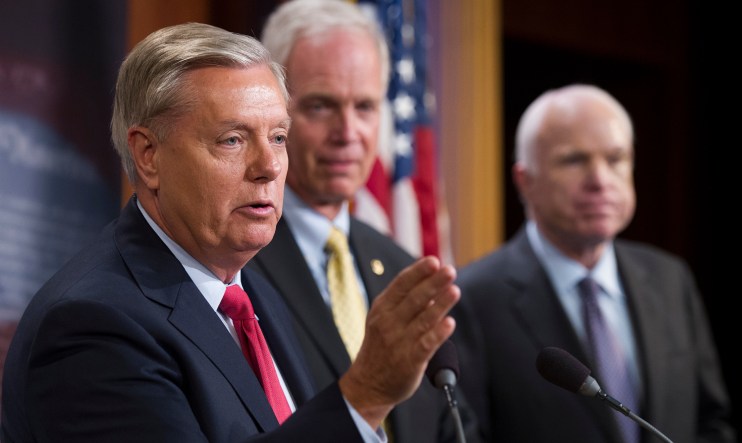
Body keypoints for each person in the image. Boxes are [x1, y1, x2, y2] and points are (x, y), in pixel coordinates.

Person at [0, 22, 461, 443]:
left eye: (278, 137)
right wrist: (364, 395)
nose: (268, 167)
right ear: (148, 155)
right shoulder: (93, 323)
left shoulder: (253, 293)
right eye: (233, 140)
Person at [248, 1, 481, 442]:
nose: (348, 132)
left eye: (366, 107)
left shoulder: (401, 266)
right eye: (321, 106)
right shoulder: (236, 259)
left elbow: (451, 425)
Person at [451, 84, 736, 443]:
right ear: (526, 182)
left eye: (616, 159)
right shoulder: (473, 299)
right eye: (574, 160)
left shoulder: (670, 279)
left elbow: (711, 424)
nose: (601, 181)